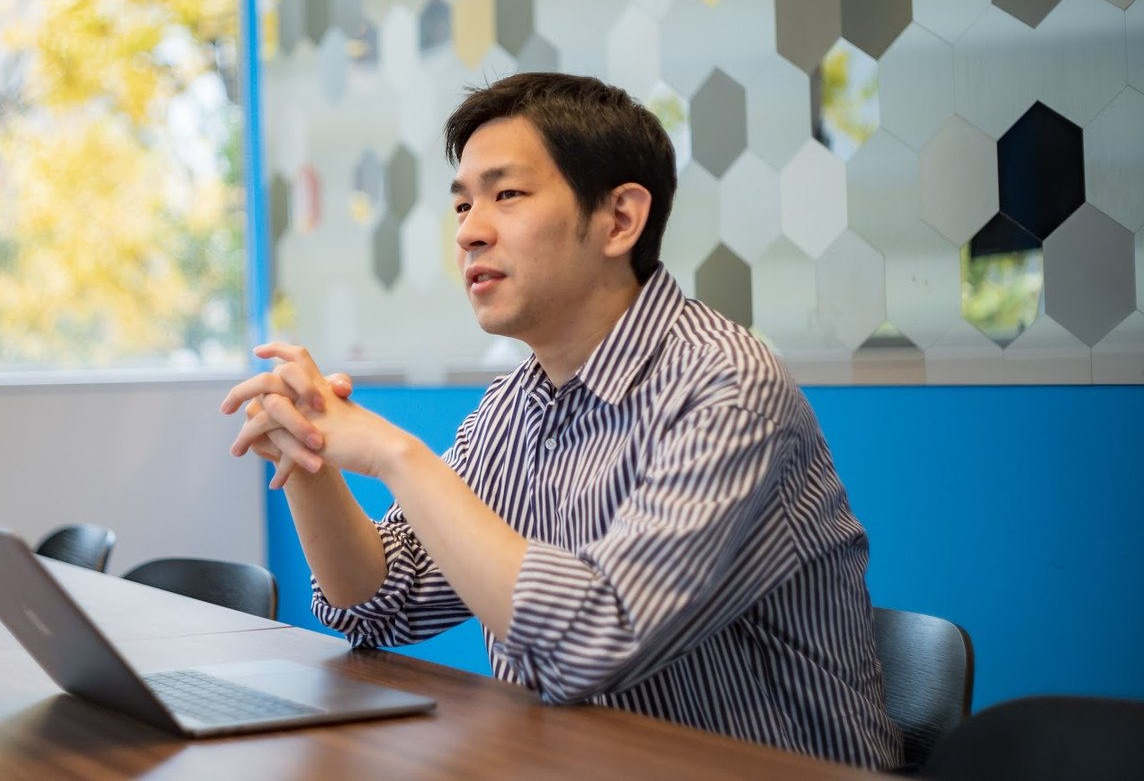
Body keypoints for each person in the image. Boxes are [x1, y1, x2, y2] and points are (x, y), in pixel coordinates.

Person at [221, 72, 903, 770]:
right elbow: (381, 605)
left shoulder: (726, 389)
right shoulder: (513, 404)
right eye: (462, 205)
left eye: (506, 195)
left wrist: (397, 454)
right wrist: (308, 452)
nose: (469, 232)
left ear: (620, 220)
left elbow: (592, 645)